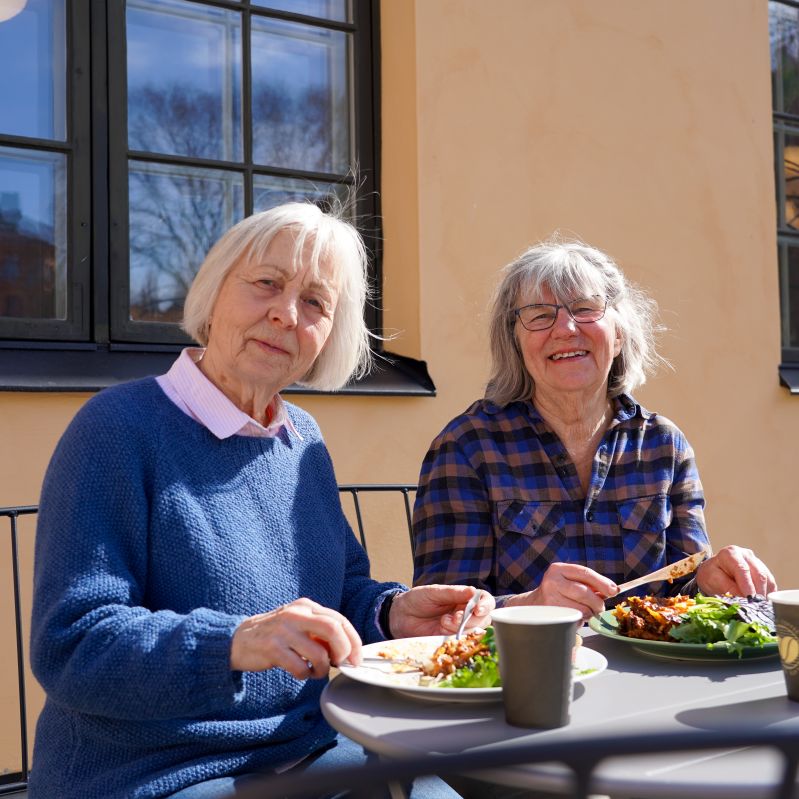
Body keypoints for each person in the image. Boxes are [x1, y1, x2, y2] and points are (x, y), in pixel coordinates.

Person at [29, 202, 493, 799]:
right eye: (267, 284)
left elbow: (339, 594)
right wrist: (234, 643)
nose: (285, 313)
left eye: (315, 303)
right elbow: (73, 643)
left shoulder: (301, 440)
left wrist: (393, 614)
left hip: (316, 744)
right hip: (155, 771)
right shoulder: (116, 429)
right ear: (215, 294)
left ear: (329, 336)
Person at [412, 237, 776, 618]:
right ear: (515, 344)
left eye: (585, 309)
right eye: (539, 315)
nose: (566, 328)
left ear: (618, 335)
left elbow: (680, 591)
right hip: (526, 672)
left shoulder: (663, 446)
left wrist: (709, 581)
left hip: (646, 672)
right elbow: (444, 616)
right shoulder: (467, 448)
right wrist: (530, 605)